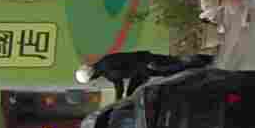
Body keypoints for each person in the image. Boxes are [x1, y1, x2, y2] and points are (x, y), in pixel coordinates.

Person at [74, 49, 208, 98]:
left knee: (174, 65)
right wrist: (120, 99)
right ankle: (202, 63)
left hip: (146, 63)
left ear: (92, 76)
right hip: (143, 68)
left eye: (92, 80)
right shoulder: (105, 68)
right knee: (173, 66)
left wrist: (148, 63)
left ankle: (204, 61)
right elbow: (118, 84)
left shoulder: (107, 67)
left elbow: (129, 61)